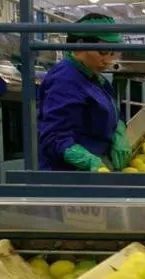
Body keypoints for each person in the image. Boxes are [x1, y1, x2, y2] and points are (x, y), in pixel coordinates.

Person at [37, 13, 131, 171]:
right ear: (80, 44)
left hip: (97, 161)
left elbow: (113, 111)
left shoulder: (96, 78)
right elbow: (54, 137)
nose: (108, 60)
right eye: (102, 51)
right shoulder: (64, 80)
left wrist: (118, 132)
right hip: (68, 174)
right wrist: (89, 162)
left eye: (112, 52)